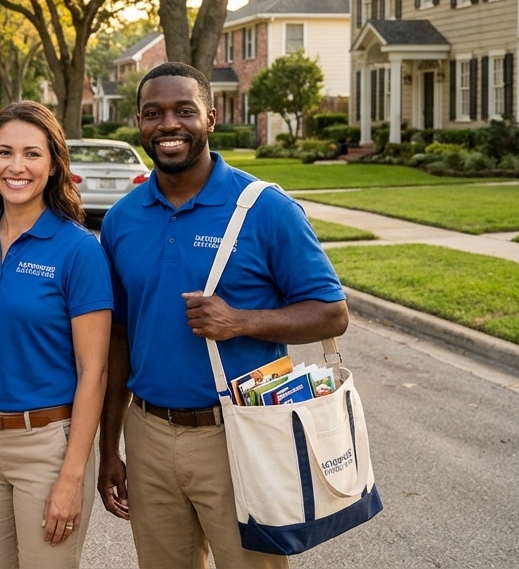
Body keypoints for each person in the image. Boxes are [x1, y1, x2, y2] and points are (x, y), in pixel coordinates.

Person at [96, 62, 349, 569]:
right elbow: (119, 340)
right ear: (140, 125)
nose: (168, 124)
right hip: (148, 434)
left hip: (241, 431)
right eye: (153, 113)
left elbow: (332, 314)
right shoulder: (122, 219)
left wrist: (242, 321)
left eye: (183, 111)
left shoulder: (265, 208)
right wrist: (110, 449)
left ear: (210, 118)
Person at [0, 101, 113, 569]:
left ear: (53, 164)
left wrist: (71, 477)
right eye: (4, 152)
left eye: (32, 154)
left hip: (48, 447)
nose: (16, 167)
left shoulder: (79, 250)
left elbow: (94, 372)